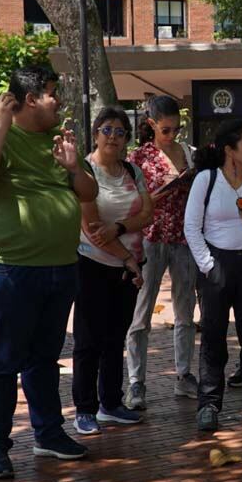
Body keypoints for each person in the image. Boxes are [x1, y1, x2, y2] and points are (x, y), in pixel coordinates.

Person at [0, 66, 97, 478]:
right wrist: (2, 124)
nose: (61, 101)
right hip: (11, 268)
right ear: (32, 99)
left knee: (44, 358)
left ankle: (48, 434)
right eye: (53, 93)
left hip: (60, 267)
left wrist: (74, 169)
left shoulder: (57, 142)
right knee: (4, 359)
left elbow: (90, 194)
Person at [184, 119, 242, 432]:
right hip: (216, 265)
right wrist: (208, 265)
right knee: (213, 336)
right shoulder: (206, 180)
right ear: (230, 150)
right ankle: (209, 404)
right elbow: (191, 227)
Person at [73, 109, 151, 435]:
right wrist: (126, 257)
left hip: (127, 268)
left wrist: (118, 226)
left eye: (120, 132)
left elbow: (147, 212)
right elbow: (91, 228)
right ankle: (85, 409)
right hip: (94, 265)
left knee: (115, 337)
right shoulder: (85, 172)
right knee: (88, 340)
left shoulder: (133, 171)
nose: (113, 137)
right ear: (95, 133)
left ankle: (111, 403)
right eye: (107, 130)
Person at [124, 95, 198, 409]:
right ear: (152, 124)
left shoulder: (188, 153)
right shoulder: (138, 157)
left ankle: (184, 375)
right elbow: (133, 202)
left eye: (176, 129)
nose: (172, 136)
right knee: (141, 314)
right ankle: (136, 382)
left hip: (183, 239)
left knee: (185, 312)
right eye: (166, 130)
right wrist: (164, 189)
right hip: (150, 240)